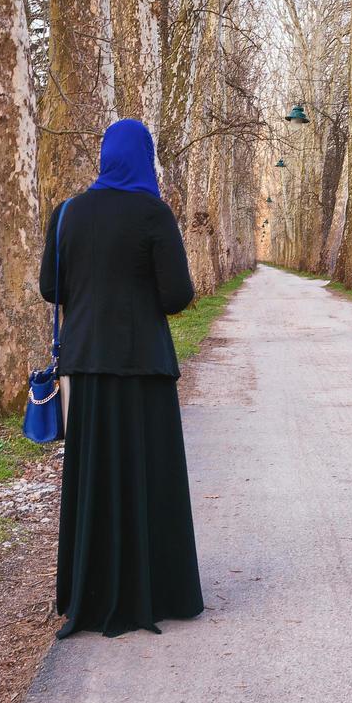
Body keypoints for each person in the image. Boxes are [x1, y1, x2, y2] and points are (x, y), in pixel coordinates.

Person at [39, 118, 204, 639]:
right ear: (145, 159)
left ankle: (87, 595)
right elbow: (177, 295)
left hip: (85, 368)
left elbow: (50, 288)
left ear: (105, 157)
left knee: (92, 479)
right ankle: (154, 592)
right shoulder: (154, 214)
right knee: (146, 475)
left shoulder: (67, 214)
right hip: (143, 368)